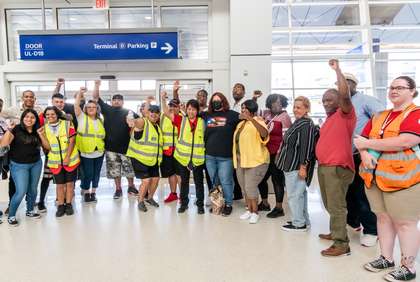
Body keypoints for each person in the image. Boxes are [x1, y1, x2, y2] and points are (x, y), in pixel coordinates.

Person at [354, 76, 420, 282]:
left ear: (412, 91)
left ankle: (408, 267)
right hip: (374, 178)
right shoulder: (380, 115)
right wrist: (364, 153)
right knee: (383, 218)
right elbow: (359, 139)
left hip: (404, 180)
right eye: (392, 87)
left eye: (400, 87)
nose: (394, 90)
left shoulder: (415, 114)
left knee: (405, 223)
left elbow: (405, 141)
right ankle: (386, 258)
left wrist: (369, 144)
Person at [316, 59, 356, 257]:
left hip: (337, 166)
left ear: (339, 100)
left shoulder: (345, 113)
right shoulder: (330, 119)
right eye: (323, 100)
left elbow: (344, 94)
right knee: (329, 202)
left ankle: (342, 244)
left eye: (329, 99)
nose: (325, 103)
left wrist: (338, 71)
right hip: (324, 166)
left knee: (336, 205)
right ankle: (335, 232)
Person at [344, 73, 384, 247]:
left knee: (362, 195)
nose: (342, 87)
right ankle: (354, 222)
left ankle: (372, 231)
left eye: (346, 83)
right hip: (346, 156)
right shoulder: (341, 104)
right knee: (349, 192)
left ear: (354, 84)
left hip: (363, 154)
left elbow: (382, 118)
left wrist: (368, 141)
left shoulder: (366, 100)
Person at [277, 96, 318, 231]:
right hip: (291, 165)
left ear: (307, 109)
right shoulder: (299, 122)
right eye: (294, 107)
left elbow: (306, 147)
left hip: (295, 166)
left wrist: (303, 167)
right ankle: (303, 219)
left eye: (299, 107)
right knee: (300, 194)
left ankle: (298, 224)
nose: (295, 110)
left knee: (294, 195)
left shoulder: (306, 124)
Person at [0, 109, 49, 226]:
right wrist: (9, 129)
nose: (29, 119)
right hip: (18, 165)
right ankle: (11, 215)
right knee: (21, 191)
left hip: (36, 163)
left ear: (36, 119)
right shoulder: (16, 129)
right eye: (27, 117)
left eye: (32, 117)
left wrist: (42, 134)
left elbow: (47, 147)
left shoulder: (38, 130)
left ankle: (30, 210)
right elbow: (3, 145)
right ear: (22, 118)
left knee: (33, 189)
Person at [92, 80, 139, 199]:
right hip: (111, 148)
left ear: (123, 102)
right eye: (114, 99)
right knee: (115, 171)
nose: (116, 101)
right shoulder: (107, 109)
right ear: (112, 101)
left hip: (127, 148)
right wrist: (97, 85)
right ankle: (118, 189)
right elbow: (96, 98)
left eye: (119, 99)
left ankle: (131, 186)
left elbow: (140, 123)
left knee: (129, 170)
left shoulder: (129, 112)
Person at [161, 91, 206, 214]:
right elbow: (166, 112)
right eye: (189, 109)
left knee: (199, 183)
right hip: (182, 158)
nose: (191, 112)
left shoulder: (203, 122)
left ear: (197, 111)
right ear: (186, 110)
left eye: (193, 109)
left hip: (198, 158)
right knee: (184, 182)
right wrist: (163, 99)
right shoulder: (181, 120)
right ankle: (184, 204)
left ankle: (200, 204)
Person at [0, 90, 43, 216]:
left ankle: (30, 206)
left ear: (34, 99)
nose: (29, 99)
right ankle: (11, 206)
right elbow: (1, 112)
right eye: (26, 97)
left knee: (32, 185)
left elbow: (53, 112)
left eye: (31, 97)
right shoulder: (13, 110)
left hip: (33, 151)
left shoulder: (39, 110)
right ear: (22, 98)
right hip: (16, 152)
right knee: (15, 183)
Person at [233, 99, 270, 224]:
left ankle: (255, 212)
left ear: (252, 110)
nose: (243, 110)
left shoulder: (258, 121)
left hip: (256, 161)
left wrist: (251, 119)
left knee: (250, 187)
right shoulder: (240, 124)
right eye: (242, 108)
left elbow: (264, 134)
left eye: (245, 108)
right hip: (241, 161)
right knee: (244, 187)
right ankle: (249, 209)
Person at [203, 92, 240, 216]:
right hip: (209, 156)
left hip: (225, 157)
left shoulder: (232, 115)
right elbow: (190, 112)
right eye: (214, 101)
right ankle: (218, 203)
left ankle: (228, 204)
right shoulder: (207, 115)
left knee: (226, 181)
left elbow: (247, 117)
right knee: (214, 182)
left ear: (223, 101)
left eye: (218, 100)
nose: (216, 102)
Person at [257, 94, 292, 218]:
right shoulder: (267, 114)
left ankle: (279, 208)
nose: (276, 105)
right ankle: (265, 203)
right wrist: (255, 98)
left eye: (279, 103)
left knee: (277, 180)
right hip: (265, 153)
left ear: (283, 103)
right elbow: (254, 111)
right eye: (273, 103)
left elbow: (286, 139)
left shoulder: (285, 117)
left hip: (277, 154)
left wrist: (279, 154)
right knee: (260, 179)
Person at [43, 106, 80, 217]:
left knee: (69, 184)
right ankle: (60, 205)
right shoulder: (44, 128)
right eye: (48, 114)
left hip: (70, 160)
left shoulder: (67, 124)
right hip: (55, 162)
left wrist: (67, 157)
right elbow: (47, 146)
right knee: (59, 185)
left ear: (57, 114)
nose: (50, 116)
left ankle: (68, 204)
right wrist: (41, 135)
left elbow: (72, 141)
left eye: (52, 114)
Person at [127, 105, 163, 212]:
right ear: (147, 113)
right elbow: (138, 123)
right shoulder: (143, 122)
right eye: (151, 111)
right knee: (146, 181)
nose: (154, 114)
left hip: (152, 159)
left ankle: (150, 198)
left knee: (156, 179)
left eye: (156, 112)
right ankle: (140, 201)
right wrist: (133, 121)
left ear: (159, 115)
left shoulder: (157, 127)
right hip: (139, 158)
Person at [74, 88, 105, 203]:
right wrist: (80, 94)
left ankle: (93, 192)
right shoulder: (82, 118)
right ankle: (86, 192)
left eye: (94, 107)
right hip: (86, 152)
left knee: (97, 174)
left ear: (97, 109)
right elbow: (76, 106)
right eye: (89, 107)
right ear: (85, 109)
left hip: (99, 152)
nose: (91, 109)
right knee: (87, 174)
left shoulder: (101, 120)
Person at [160, 96, 181, 203]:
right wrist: (163, 99)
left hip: (179, 151)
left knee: (180, 174)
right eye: (170, 106)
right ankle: (173, 194)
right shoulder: (163, 116)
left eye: (175, 106)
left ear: (179, 108)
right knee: (171, 174)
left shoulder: (183, 117)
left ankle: (183, 195)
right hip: (167, 150)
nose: (172, 108)